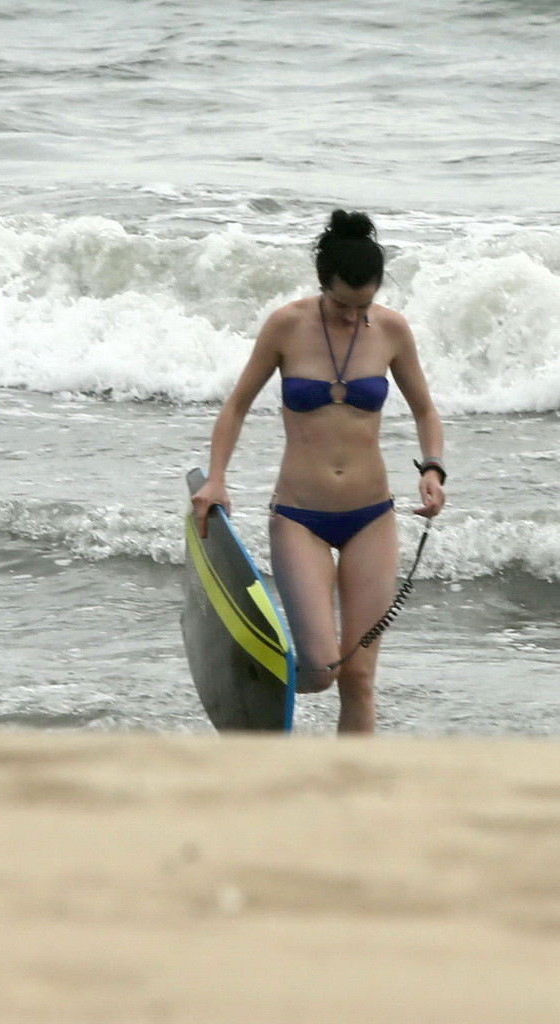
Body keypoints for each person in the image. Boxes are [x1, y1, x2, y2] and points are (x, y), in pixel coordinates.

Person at [190, 210, 445, 734]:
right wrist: (217, 478)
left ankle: (350, 804)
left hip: (372, 517)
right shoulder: (286, 326)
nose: (354, 318)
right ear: (322, 284)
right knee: (322, 667)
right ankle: (255, 682)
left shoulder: (393, 330)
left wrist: (434, 469)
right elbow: (237, 405)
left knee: (359, 678)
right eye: (342, 305)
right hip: (299, 517)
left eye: (364, 306)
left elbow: (425, 410)